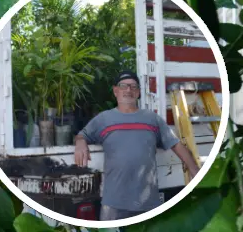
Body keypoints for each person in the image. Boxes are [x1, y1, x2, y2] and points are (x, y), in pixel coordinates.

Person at [73, 71, 202, 220]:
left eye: (133, 87)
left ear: (139, 92)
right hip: (114, 204)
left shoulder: (152, 118)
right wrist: (80, 142)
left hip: (148, 203)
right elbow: (81, 135)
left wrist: (194, 170)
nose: (129, 90)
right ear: (115, 91)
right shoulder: (103, 119)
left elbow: (176, 144)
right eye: (124, 86)